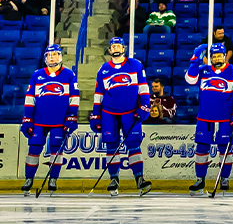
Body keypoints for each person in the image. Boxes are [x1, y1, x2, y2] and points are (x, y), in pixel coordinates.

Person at [185, 41, 233, 197]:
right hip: (205, 117)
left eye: (220, 55)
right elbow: (190, 80)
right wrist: (194, 60)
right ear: (210, 57)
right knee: (201, 148)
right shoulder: (203, 70)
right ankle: (200, 179)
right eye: (214, 56)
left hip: (225, 118)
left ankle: (224, 178)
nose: (217, 58)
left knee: (224, 148)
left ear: (225, 56)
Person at [91, 37, 152, 196]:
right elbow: (98, 95)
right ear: (110, 50)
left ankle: (139, 178)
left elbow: (143, 88)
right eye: (113, 46)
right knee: (111, 145)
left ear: (123, 48)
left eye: (119, 45)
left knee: (133, 144)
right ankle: (114, 178)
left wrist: (144, 106)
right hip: (109, 113)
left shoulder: (136, 65)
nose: (116, 48)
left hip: (130, 112)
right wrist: (96, 115)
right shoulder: (103, 69)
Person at [20, 45, 79, 196]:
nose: (52, 57)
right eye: (49, 55)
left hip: (59, 121)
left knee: (56, 149)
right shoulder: (37, 75)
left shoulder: (69, 75)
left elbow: (74, 98)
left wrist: (71, 116)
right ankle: (29, 179)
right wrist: (27, 118)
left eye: (55, 54)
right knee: (33, 148)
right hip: (39, 120)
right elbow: (29, 98)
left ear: (60, 57)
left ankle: (53, 178)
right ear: (45, 58)